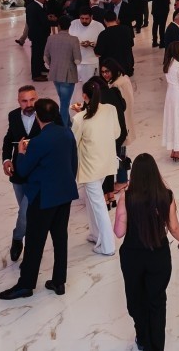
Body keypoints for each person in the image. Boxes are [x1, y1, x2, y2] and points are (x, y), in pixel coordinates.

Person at [0, 98, 79, 300]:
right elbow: (73, 163)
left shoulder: (38, 142)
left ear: (38, 117)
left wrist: (21, 153)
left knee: (35, 241)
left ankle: (25, 285)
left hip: (43, 198)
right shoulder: (67, 133)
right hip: (65, 194)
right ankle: (59, 281)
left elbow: (24, 170)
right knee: (60, 238)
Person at [113, 153, 179, 351]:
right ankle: (156, 346)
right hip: (158, 256)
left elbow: (119, 232)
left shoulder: (127, 197)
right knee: (157, 301)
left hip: (132, 257)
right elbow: (173, 227)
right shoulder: (167, 195)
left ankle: (143, 339)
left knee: (136, 300)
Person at [70, 78, 120, 256]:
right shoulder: (110, 110)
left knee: (98, 205)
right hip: (106, 163)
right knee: (92, 202)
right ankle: (95, 233)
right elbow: (116, 133)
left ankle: (107, 245)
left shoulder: (79, 119)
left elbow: (72, 143)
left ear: (84, 96)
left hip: (90, 167)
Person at [1, 85, 43, 263]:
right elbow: (8, 139)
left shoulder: (45, 114)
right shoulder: (13, 115)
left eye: (32, 99)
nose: (29, 104)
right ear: (19, 102)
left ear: (37, 98)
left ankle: (19, 240)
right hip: (18, 172)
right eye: (24, 101)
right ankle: (19, 238)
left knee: (26, 212)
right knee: (24, 212)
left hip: (38, 173)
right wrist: (6, 160)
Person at [44, 17, 82, 127]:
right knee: (65, 103)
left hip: (55, 73)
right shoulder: (73, 39)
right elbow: (77, 60)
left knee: (62, 100)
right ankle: (64, 127)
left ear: (58, 26)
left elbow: (46, 57)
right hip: (68, 74)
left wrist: (53, 64)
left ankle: (67, 122)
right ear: (69, 26)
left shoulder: (51, 38)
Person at [27, 0, 55, 80]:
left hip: (42, 34)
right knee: (36, 54)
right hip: (37, 35)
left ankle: (41, 67)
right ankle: (36, 75)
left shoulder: (41, 6)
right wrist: (50, 20)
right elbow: (35, 22)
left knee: (41, 53)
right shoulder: (33, 7)